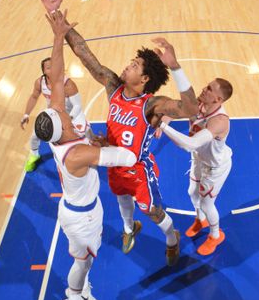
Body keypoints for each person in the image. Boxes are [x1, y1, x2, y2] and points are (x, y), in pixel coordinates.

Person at [33, 0, 138, 300]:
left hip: (82, 207)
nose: (64, 110)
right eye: (63, 115)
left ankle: (80, 290)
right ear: (60, 128)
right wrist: (137, 139)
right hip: (81, 216)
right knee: (82, 263)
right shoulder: (76, 153)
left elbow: (58, 73)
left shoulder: (57, 124)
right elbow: (120, 157)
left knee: (85, 261)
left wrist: (58, 33)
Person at [59, 16, 198, 267]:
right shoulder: (114, 86)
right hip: (113, 163)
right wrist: (64, 27)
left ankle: (171, 237)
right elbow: (86, 56)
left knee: (152, 212)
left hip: (138, 170)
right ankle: (129, 227)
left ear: (144, 78)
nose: (128, 66)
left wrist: (175, 67)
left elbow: (190, 108)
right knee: (120, 197)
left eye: (134, 65)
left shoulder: (152, 105)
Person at [158, 77, 233, 255]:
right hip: (199, 158)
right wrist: (165, 121)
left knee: (207, 204)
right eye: (206, 85)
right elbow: (173, 111)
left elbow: (189, 144)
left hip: (215, 168)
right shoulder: (198, 104)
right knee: (192, 192)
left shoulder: (219, 121)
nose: (204, 89)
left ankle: (215, 235)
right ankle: (201, 220)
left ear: (218, 100)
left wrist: (162, 126)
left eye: (209, 89)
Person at [21, 54, 89, 172]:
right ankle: (34, 155)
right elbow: (33, 97)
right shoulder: (39, 83)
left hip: (73, 114)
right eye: (48, 67)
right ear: (44, 71)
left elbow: (77, 105)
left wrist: (68, 119)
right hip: (54, 114)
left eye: (54, 66)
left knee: (84, 134)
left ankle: (93, 146)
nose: (52, 69)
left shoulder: (67, 84)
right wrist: (26, 114)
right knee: (34, 136)